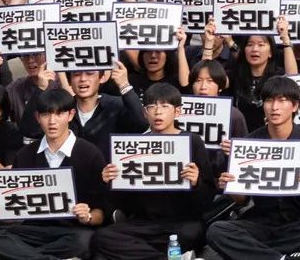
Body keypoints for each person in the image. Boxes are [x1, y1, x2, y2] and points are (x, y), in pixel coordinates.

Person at [206, 76, 300, 260]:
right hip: (260, 220)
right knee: (216, 231)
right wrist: (230, 185)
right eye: (269, 100)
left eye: (282, 100)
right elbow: (242, 200)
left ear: (295, 106)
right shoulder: (250, 143)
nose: (274, 107)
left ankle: (255, 254)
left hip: (298, 221)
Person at [0, 86, 110, 260]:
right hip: (29, 231)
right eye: (46, 115)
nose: (52, 121)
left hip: (70, 232)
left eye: (59, 114)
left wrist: (88, 217)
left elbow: (101, 212)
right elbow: (12, 209)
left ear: (70, 115)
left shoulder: (90, 154)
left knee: (86, 241)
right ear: (38, 117)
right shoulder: (25, 154)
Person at [90, 82, 218, 260]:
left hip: (182, 223)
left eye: (165, 106)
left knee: (192, 234)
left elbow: (207, 198)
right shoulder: (133, 146)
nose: (158, 112)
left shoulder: (192, 142)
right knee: (101, 238)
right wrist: (110, 182)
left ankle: (142, 254)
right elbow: (124, 203)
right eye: (152, 107)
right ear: (145, 113)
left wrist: (196, 183)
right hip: (143, 223)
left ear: (177, 112)